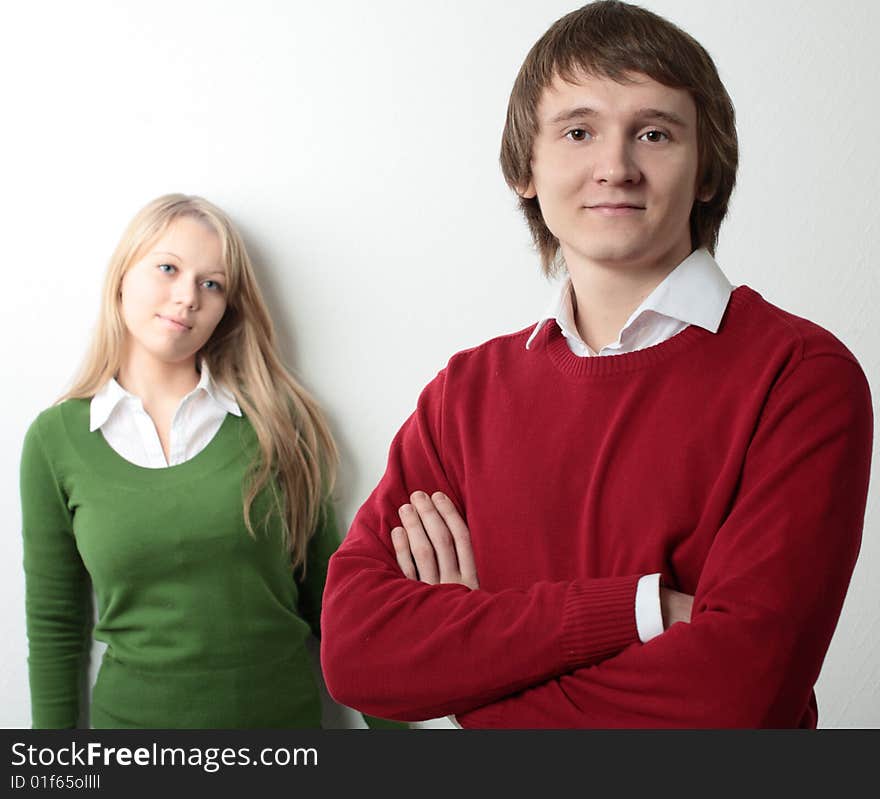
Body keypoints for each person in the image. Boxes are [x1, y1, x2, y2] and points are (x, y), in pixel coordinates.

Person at [319, 1, 874, 727]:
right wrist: (637, 610)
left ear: (706, 170)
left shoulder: (801, 377)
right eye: (578, 131)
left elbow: (734, 700)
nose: (615, 167)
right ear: (526, 167)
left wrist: (469, 678)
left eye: (654, 133)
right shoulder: (464, 395)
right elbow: (358, 652)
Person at [20, 193, 398, 729]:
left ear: (226, 308)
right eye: (168, 268)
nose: (187, 297)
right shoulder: (55, 441)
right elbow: (56, 628)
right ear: (123, 276)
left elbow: (333, 605)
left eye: (211, 283)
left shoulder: (277, 423)